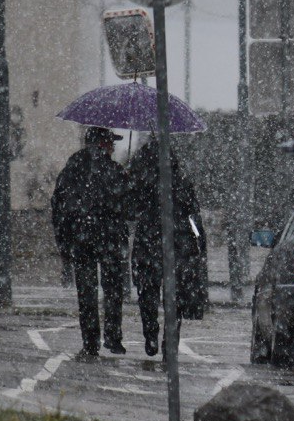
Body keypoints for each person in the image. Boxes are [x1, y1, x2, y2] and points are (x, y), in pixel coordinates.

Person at [50, 126, 129, 358]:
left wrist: (64, 243)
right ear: (102, 144)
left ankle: (90, 342)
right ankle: (113, 338)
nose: (113, 147)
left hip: (80, 241)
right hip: (110, 241)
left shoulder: (71, 170)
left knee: (86, 293)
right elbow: (127, 207)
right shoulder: (114, 171)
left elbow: (58, 209)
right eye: (110, 142)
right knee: (113, 290)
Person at [128, 137, 208, 358]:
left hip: (149, 244)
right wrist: (199, 242)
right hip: (177, 247)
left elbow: (130, 210)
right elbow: (194, 217)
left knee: (147, 295)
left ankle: (151, 334)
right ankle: (169, 344)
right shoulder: (181, 180)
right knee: (173, 299)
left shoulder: (142, 179)